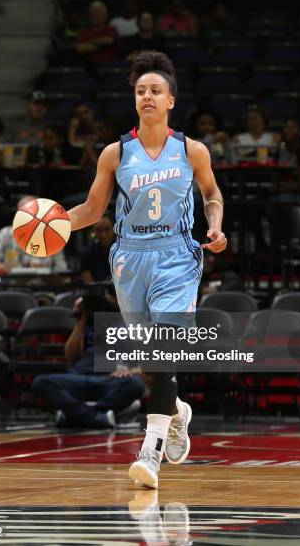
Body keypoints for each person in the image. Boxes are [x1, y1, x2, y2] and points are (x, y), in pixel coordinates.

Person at [66, 51, 227, 488]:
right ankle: (176, 411)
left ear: (171, 99)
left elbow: (212, 193)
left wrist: (213, 225)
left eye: (156, 90)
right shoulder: (115, 153)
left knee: (162, 350)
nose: (148, 97)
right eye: (141, 91)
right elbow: (92, 209)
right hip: (129, 256)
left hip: (176, 253)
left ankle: (149, 453)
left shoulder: (191, 150)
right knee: (147, 364)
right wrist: (56, 224)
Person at [32, 292, 146, 429]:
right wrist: (81, 319)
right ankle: (98, 417)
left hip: (109, 379)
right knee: (41, 382)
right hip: (79, 377)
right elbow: (70, 355)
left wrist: (130, 369)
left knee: (135, 384)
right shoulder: (89, 323)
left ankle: (73, 415)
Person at [0, 196, 68, 273]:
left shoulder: (53, 235)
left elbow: (62, 275)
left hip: (43, 287)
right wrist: (7, 268)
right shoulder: (5, 233)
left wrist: (42, 271)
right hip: (9, 287)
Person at [273, 118, 300, 200]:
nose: (288, 130)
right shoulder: (280, 151)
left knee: (282, 199)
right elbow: (275, 177)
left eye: (293, 127)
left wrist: (280, 188)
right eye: (286, 127)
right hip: (282, 192)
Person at [76, 0, 118, 66]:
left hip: (109, 66)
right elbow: (80, 48)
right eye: (93, 13)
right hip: (88, 67)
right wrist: (102, 45)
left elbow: (108, 40)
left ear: (106, 15)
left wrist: (89, 42)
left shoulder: (111, 29)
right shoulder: (84, 32)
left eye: (99, 12)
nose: (96, 15)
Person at [80, 212, 115, 283]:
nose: (103, 235)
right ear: (94, 231)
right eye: (99, 230)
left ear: (114, 230)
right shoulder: (87, 252)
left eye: (107, 229)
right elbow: (88, 282)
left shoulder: (122, 252)